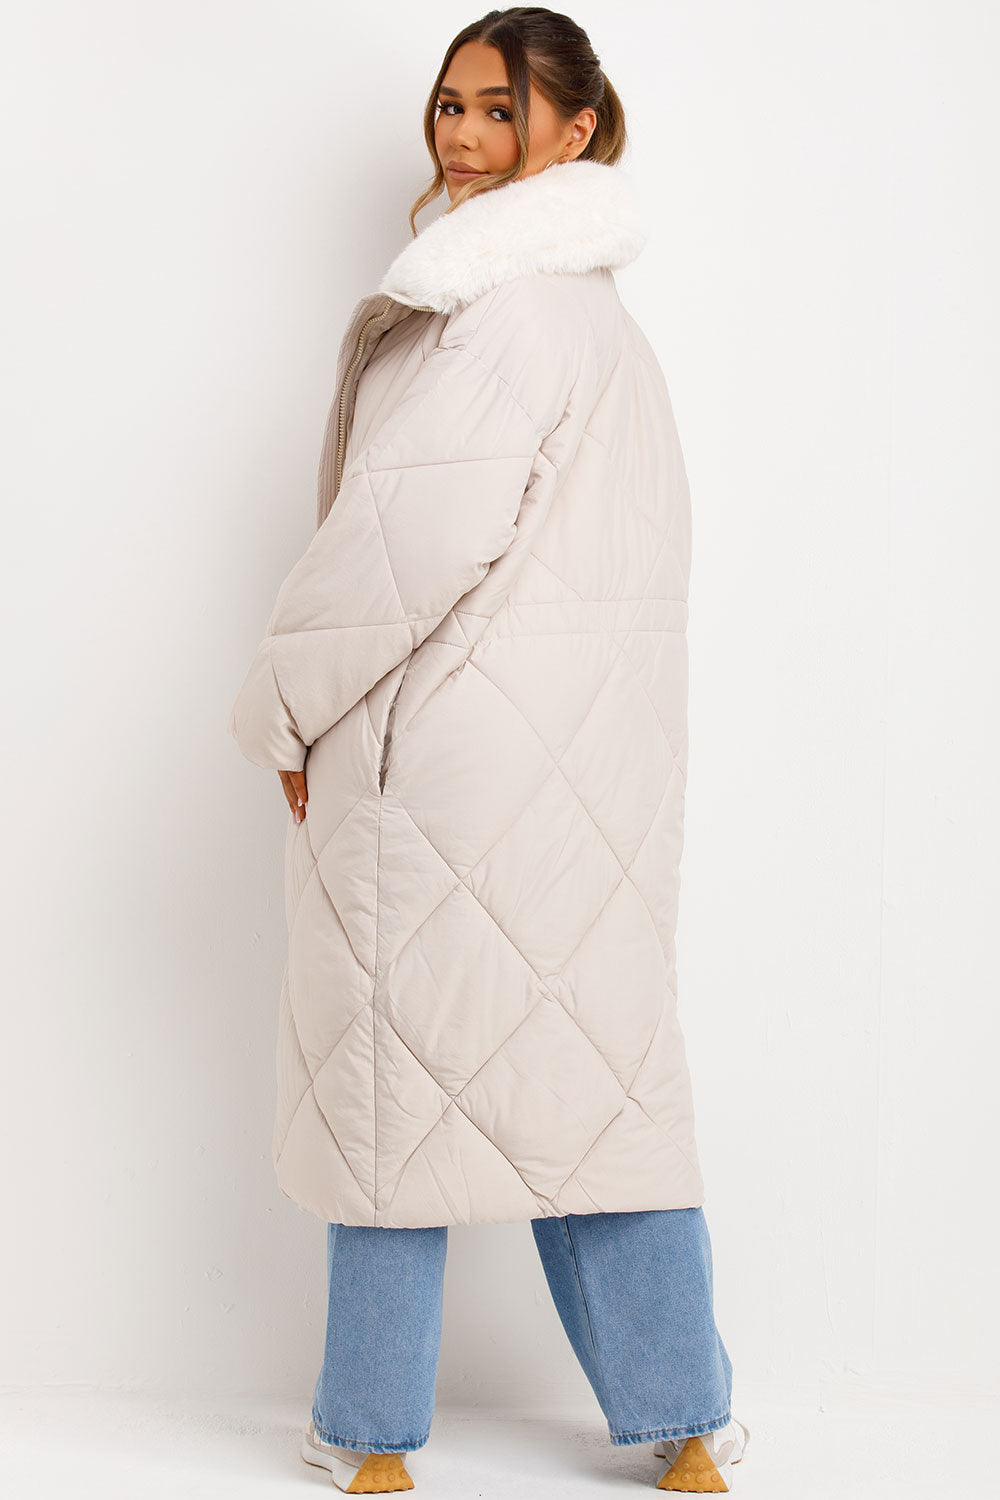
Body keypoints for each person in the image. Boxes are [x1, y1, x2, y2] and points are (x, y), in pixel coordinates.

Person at [228, 6, 750, 1493]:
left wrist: (280, 707)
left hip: (445, 768)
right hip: (584, 776)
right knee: (597, 1081)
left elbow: (395, 551)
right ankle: (685, 1428)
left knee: (394, 1083)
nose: (462, 135)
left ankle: (372, 1438)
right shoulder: (601, 326)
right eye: (449, 104)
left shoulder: (494, 315)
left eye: (498, 109)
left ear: (576, 129)